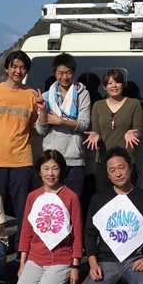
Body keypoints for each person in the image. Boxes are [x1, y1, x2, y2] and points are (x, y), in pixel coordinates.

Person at [72, 147, 143, 284]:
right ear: (108, 175)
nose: (118, 173)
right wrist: (92, 263)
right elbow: (90, 233)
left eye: (122, 167)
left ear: (130, 167)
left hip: (134, 260)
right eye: (112, 170)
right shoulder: (98, 199)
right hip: (106, 262)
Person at [0, 50, 38, 252]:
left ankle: (22, 245)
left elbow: (34, 127)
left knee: (23, 206)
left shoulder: (31, 95)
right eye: (14, 66)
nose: (18, 71)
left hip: (22, 159)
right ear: (7, 68)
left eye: (22, 67)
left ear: (26, 71)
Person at [13, 150, 83, 284]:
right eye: (46, 168)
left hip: (60, 258)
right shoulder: (33, 196)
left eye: (55, 168)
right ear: (39, 171)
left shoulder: (71, 197)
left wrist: (75, 267)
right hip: (35, 257)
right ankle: (47, 282)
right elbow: (26, 231)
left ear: (61, 171)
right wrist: (22, 262)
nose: (50, 173)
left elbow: (78, 234)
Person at [35, 53, 91, 201]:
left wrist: (60, 121)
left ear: (73, 72)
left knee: (72, 203)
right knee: (51, 204)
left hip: (74, 160)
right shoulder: (47, 97)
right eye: (60, 73)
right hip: (51, 160)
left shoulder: (82, 94)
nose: (64, 77)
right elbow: (41, 130)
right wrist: (42, 110)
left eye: (68, 72)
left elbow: (84, 124)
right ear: (55, 73)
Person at [82, 69, 143, 193]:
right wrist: (96, 136)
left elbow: (139, 131)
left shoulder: (134, 104)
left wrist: (133, 133)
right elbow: (97, 132)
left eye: (117, 82)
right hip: (103, 161)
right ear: (104, 87)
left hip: (126, 161)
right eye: (109, 83)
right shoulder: (98, 105)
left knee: (127, 198)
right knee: (104, 200)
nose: (114, 86)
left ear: (123, 84)